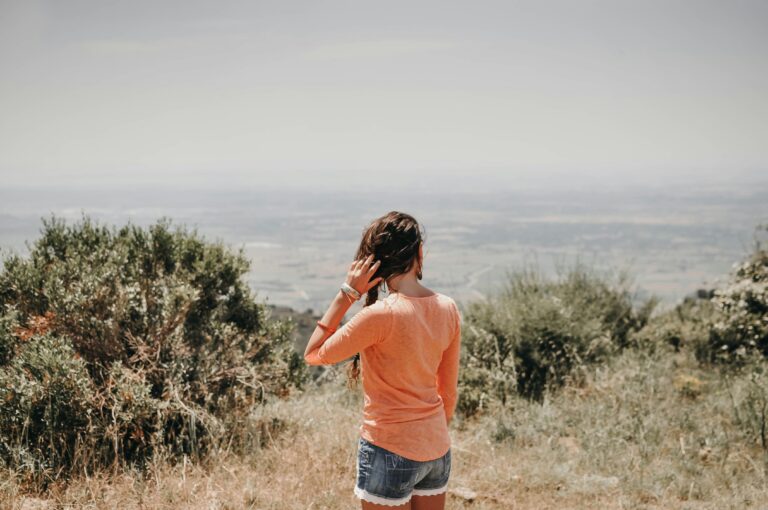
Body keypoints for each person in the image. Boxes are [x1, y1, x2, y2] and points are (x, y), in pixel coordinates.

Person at [304, 211, 462, 510]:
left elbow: (313, 354)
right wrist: (431, 435)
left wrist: (348, 293)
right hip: (436, 447)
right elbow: (448, 391)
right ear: (419, 253)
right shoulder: (448, 308)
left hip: (389, 446)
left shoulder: (379, 315)